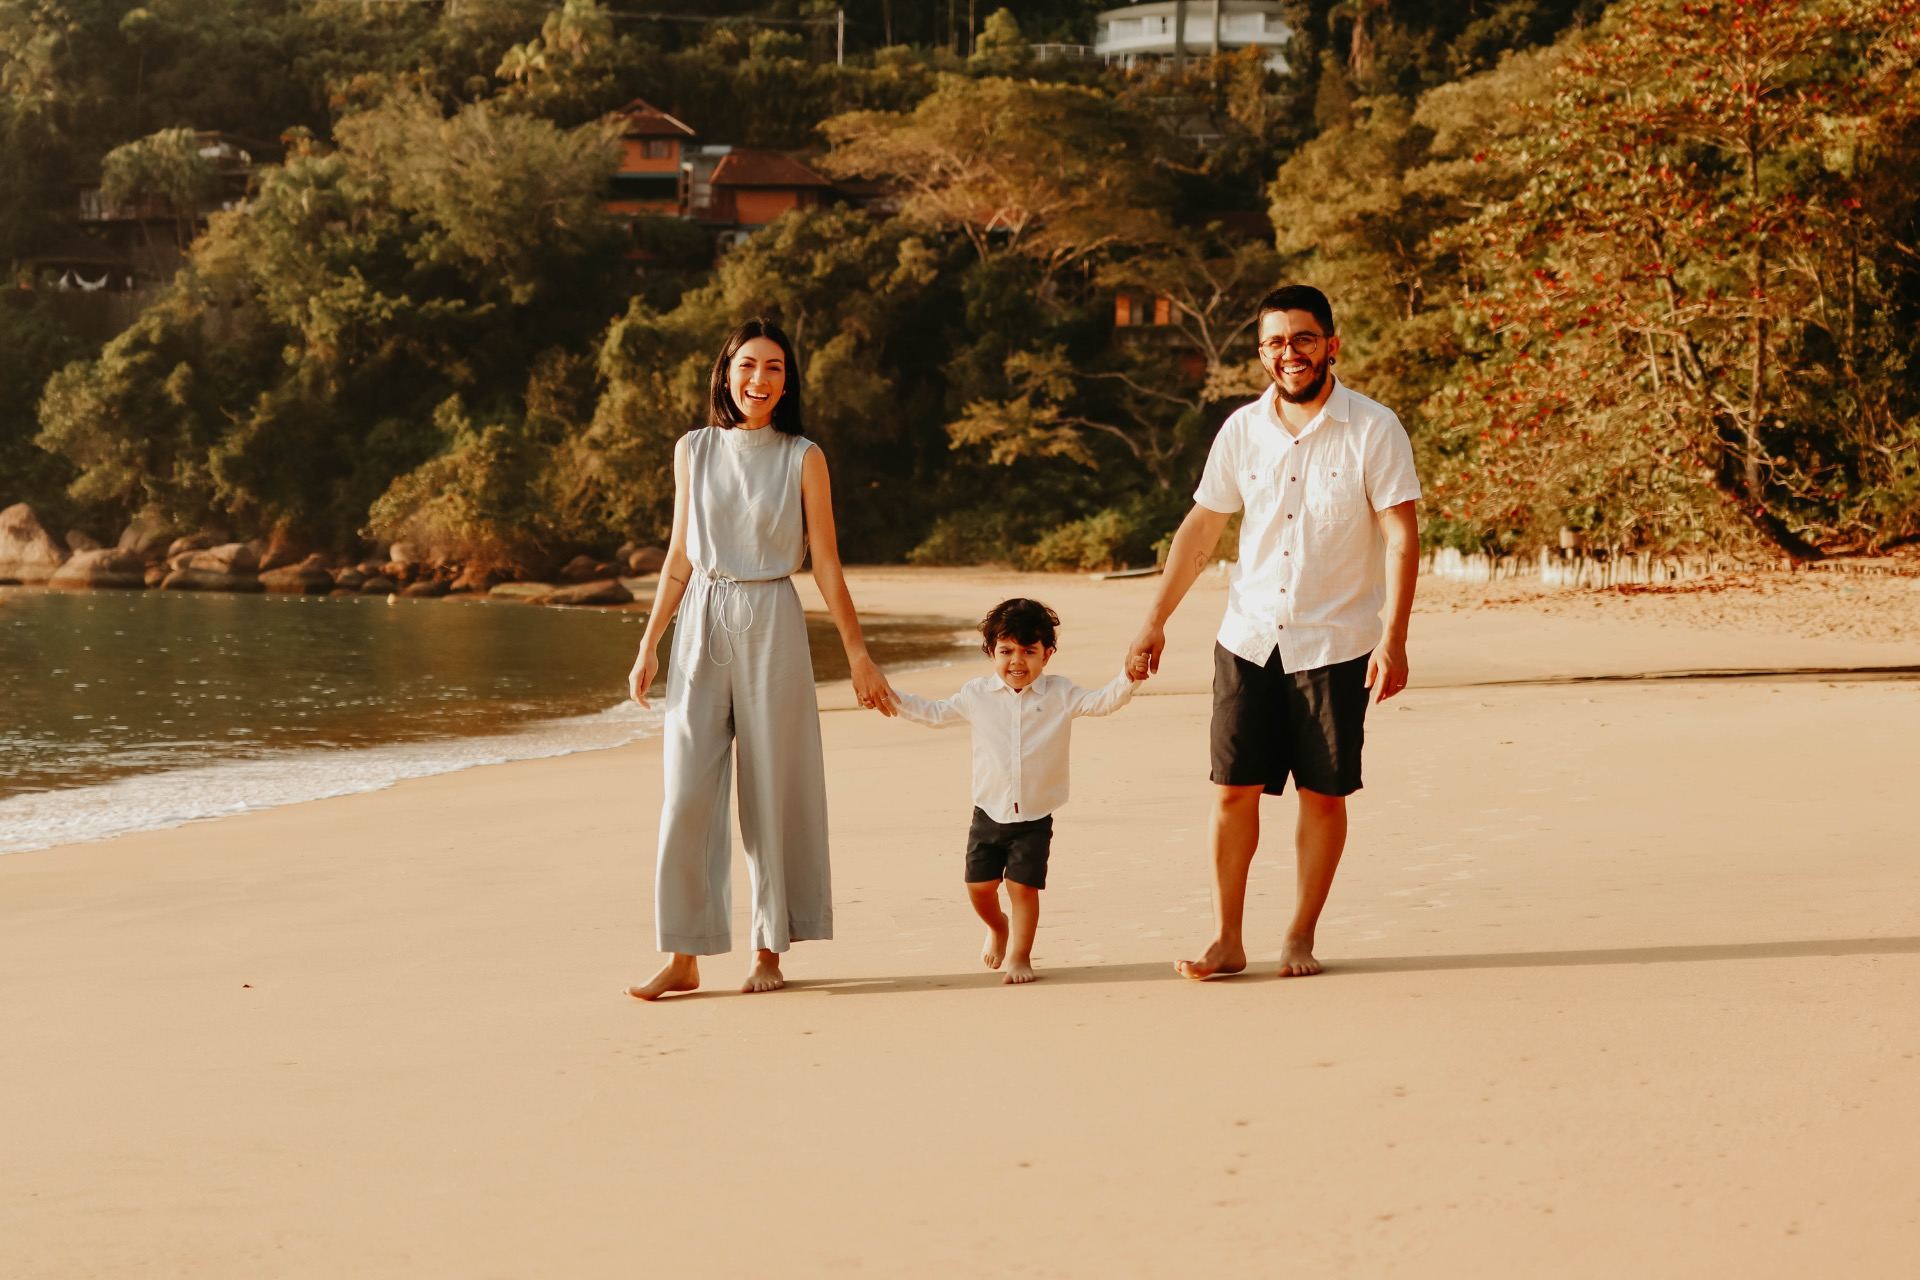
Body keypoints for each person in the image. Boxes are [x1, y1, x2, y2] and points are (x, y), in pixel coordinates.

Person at [1125, 284, 1421, 980]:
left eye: (1304, 339)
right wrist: (1153, 621)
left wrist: (1394, 636)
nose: (1291, 354)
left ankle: (1299, 936)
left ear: (1331, 345)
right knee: (1233, 790)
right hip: (1249, 636)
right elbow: (1201, 530)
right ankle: (1227, 939)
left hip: (1337, 641)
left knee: (1324, 794)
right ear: (1262, 354)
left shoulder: (1375, 428)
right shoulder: (1241, 431)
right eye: (1277, 343)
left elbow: (1403, 537)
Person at [627, 318, 896, 1000]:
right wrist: (649, 643)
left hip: (773, 617)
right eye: (748, 365)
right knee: (686, 792)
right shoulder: (694, 449)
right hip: (701, 621)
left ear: (787, 381)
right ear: (726, 373)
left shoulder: (803, 456)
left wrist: (858, 655)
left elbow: (828, 564)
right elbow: (679, 556)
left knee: (773, 789)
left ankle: (768, 947)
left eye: (774, 367)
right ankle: (684, 955)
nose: (759, 378)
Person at [880, 599, 1144, 984]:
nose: (1017, 661)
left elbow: (1102, 702)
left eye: (1029, 651)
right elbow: (935, 713)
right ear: (991, 652)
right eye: (1006, 651)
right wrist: (888, 698)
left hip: (1035, 814)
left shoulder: (1060, 694)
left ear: (1047, 655)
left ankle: (1020, 957)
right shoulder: (976, 695)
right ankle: (998, 926)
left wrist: (1130, 677)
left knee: (1024, 887)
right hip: (988, 811)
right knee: (979, 888)